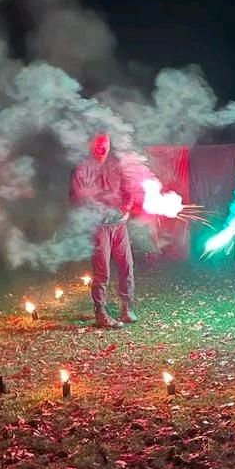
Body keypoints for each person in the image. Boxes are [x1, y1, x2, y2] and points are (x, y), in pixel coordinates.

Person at [69, 134, 137, 328]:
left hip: (119, 226)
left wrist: (127, 209)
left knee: (127, 266)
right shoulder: (82, 169)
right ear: (91, 146)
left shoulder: (115, 167)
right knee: (102, 271)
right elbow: (76, 199)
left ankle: (127, 307)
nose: (101, 149)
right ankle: (101, 313)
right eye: (98, 145)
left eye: (104, 145)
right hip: (99, 228)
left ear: (109, 146)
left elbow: (128, 190)